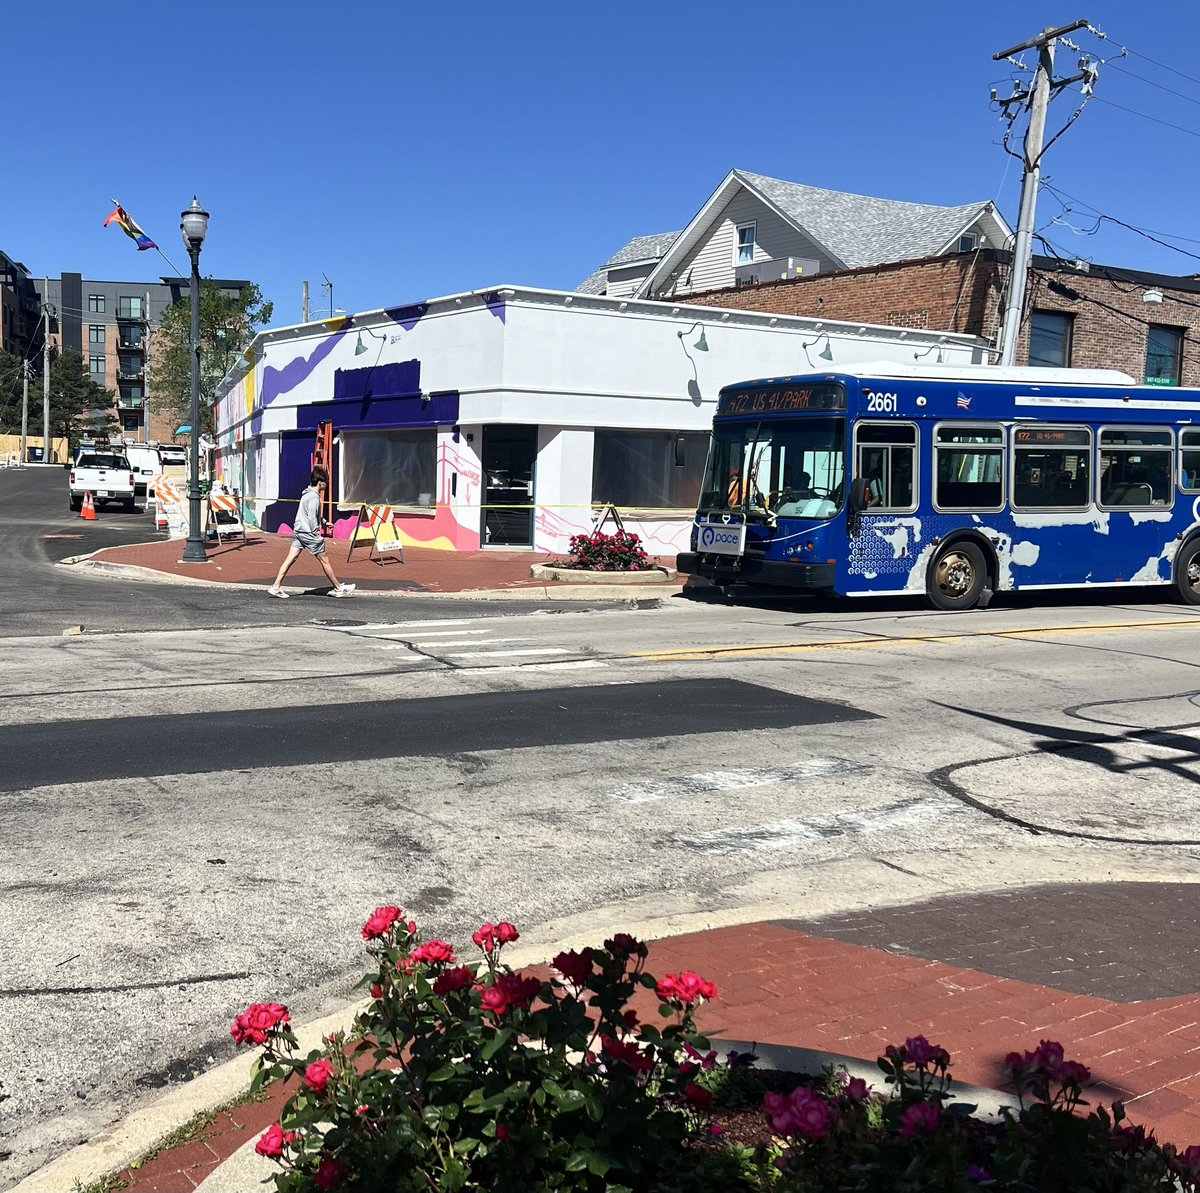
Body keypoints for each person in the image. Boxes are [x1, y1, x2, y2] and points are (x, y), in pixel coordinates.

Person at [268, 466, 356, 598]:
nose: (327, 484)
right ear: (320, 483)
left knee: (290, 559)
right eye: (325, 482)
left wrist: (325, 522)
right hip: (308, 533)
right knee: (325, 560)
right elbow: (311, 518)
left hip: (299, 531)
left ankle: (276, 586)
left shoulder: (306, 494)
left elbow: (311, 514)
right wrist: (317, 533)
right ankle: (338, 588)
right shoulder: (314, 497)